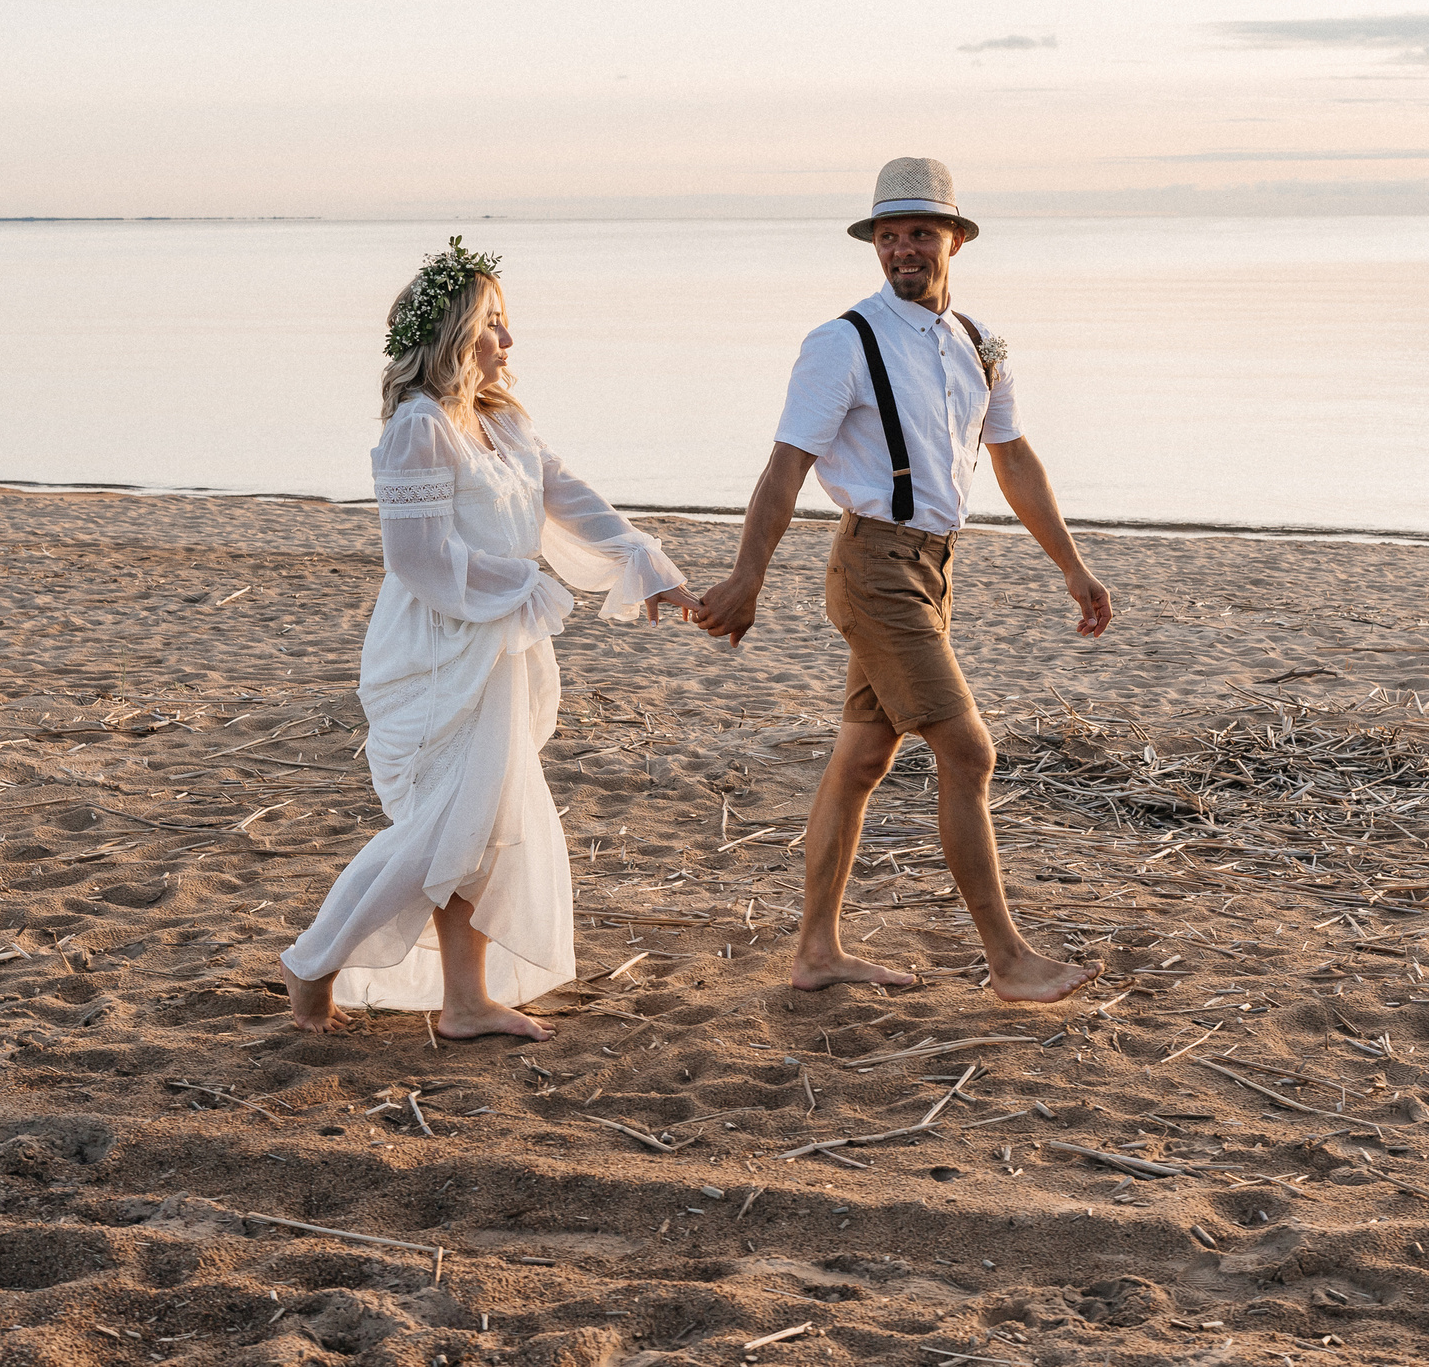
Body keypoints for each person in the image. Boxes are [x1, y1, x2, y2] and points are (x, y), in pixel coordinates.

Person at [690, 158, 1112, 1003]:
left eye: (919, 232)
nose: (902, 250)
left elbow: (1014, 457)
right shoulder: (842, 341)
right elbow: (785, 467)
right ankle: (1008, 959)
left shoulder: (979, 343)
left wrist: (1072, 565)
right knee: (969, 751)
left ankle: (816, 951)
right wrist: (748, 575)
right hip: (873, 568)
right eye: (888, 236)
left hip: (935, 568)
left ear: (954, 238)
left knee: (861, 760)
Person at [282, 239, 695, 1042]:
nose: (508, 342)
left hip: (500, 644)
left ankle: (464, 1000)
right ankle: (314, 959)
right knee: (442, 826)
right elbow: (417, 558)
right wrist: (520, 584)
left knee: (484, 824)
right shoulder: (418, 428)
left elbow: (571, 500)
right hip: (438, 651)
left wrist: (647, 565)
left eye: (507, 324)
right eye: (494, 325)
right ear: (453, 333)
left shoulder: (504, 422)